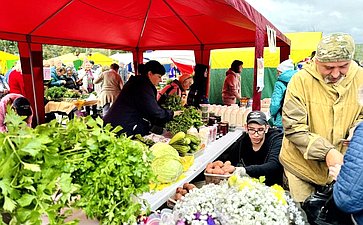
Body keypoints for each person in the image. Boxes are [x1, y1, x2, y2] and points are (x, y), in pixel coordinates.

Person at [279, 33, 363, 203]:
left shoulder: (360, 77)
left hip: (341, 169)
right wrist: (327, 151)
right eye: (329, 67)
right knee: (302, 214)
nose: (335, 74)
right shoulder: (300, 81)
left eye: (343, 66)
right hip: (301, 168)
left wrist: (357, 129)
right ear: (317, 61)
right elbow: (294, 128)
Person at [103, 60, 175, 136]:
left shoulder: (138, 81)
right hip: (120, 126)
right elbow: (154, 110)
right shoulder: (142, 85)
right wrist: (171, 114)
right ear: (150, 73)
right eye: (159, 76)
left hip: (115, 123)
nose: (160, 80)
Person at [220, 111, 283, 186]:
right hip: (250, 185)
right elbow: (230, 158)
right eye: (252, 129)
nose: (256, 135)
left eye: (260, 130)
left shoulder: (275, 139)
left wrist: (243, 170)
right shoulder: (243, 141)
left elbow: (274, 165)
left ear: (266, 128)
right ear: (246, 128)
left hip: (272, 185)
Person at [269, 59, 297, 129]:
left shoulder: (279, 84)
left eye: (278, 72)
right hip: (296, 118)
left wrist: (271, 113)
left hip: (282, 119)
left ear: (281, 72)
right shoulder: (298, 80)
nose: (277, 74)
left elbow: (275, 104)